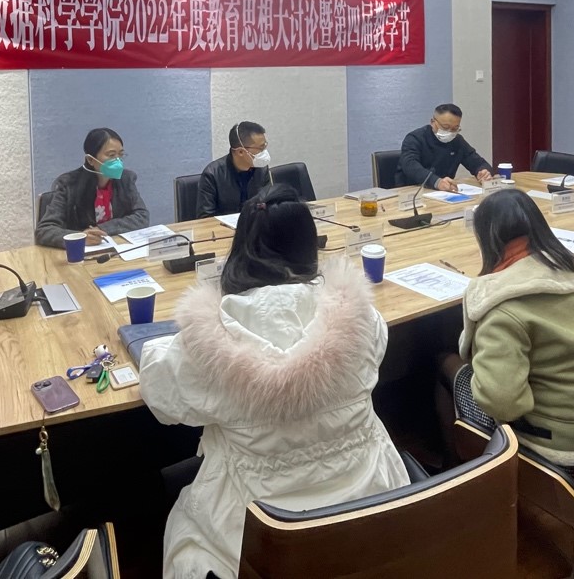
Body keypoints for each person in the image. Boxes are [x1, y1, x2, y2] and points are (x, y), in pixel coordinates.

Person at [141, 185, 408, 579]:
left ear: (241, 247)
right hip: (371, 508)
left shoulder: (209, 341)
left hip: (257, 530)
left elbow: (161, 397)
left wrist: (159, 346)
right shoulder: (360, 318)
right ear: (309, 246)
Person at [450, 189, 574, 466]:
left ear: (486, 240)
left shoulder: (503, 310)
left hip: (555, 441)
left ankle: (458, 472)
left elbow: (504, 404)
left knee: (448, 367)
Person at [34, 128, 149, 247]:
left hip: (113, 250)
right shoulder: (69, 185)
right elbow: (44, 230)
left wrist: (102, 229)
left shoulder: (126, 179)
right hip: (79, 254)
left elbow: (142, 217)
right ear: (90, 160)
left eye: (120, 154)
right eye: (111, 155)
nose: (118, 161)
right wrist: (80, 237)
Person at [396, 104, 494, 192]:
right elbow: (410, 166)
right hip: (412, 192)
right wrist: (436, 182)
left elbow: (477, 162)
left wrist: (484, 172)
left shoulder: (457, 141)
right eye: (445, 127)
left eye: (455, 128)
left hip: (446, 192)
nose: (450, 132)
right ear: (432, 122)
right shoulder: (415, 138)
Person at [196, 121, 274, 218]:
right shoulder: (212, 174)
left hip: (254, 226)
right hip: (222, 227)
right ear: (241, 152)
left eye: (265, 146)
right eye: (261, 148)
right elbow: (205, 218)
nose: (264, 152)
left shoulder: (261, 169)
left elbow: (269, 205)